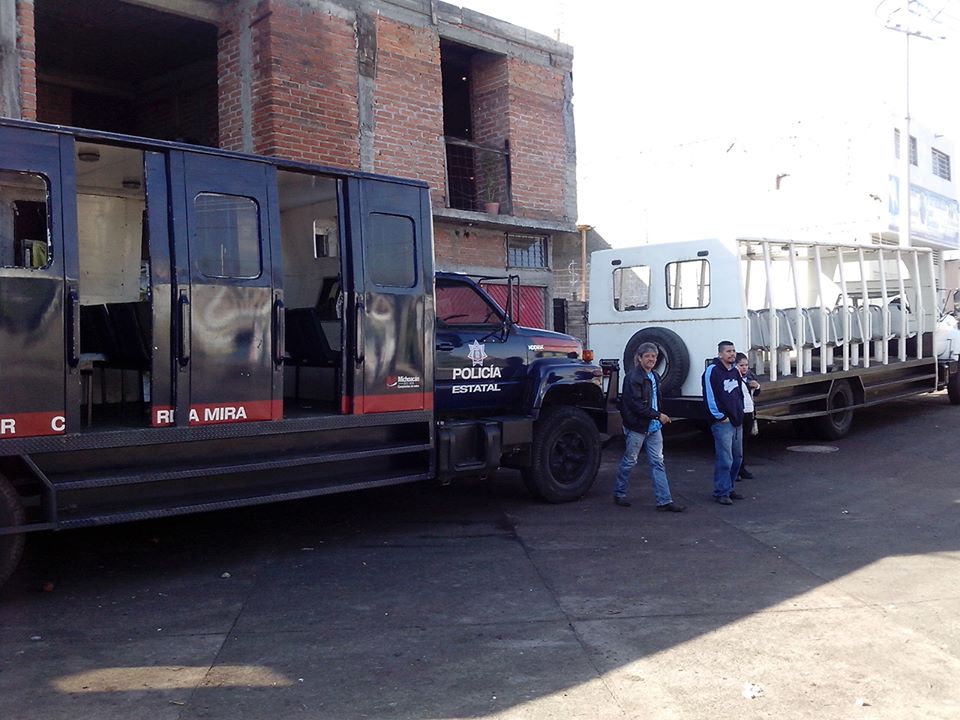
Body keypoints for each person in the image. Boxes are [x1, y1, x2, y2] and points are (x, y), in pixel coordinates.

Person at [613, 342, 686, 512]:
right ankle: (619, 492)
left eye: (654, 356)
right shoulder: (632, 377)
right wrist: (658, 415)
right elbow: (636, 405)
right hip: (637, 427)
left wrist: (657, 418)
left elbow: (653, 400)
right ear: (639, 358)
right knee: (630, 461)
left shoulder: (655, 376)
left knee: (658, 462)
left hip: (654, 427)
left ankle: (664, 501)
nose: (652, 359)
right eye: (647, 356)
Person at [701, 340, 745, 505]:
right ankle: (721, 492)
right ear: (720, 354)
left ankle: (729, 488)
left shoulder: (735, 371)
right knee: (725, 459)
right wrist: (720, 416)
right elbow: (709, 396)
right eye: (728, 351)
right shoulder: (712, 371)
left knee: (737, 458)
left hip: (737, 420)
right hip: (722, 423)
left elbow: (739, 392)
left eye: (733, 351)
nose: (732, 354)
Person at [735, 352, 760, 480]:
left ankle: (742, 467)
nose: (744, 368)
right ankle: (735, 469)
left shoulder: (750, 376)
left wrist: (757, 386)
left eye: (746, 365)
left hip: (749, 411)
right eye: (741, 365)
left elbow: (757, 392)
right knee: (736, 443)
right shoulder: (734, 377)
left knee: (744, 441)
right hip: (739, 412)